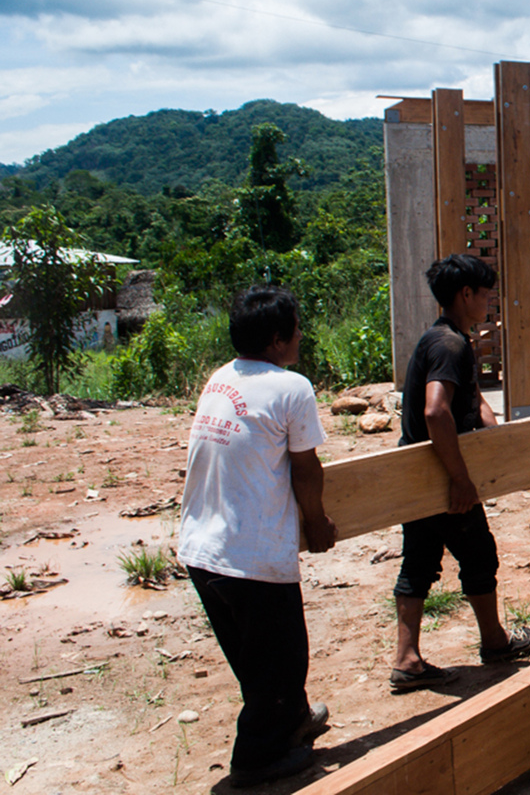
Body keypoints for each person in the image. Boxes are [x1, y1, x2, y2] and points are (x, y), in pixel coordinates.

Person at [177, 286, 334, 787]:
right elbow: (306, 470)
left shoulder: (220, 378)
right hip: (251, 555)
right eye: (295, 327)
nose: (300, 335)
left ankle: (292, 721)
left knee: (256, 656)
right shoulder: (292, 387)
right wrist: (317, 524)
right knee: (282, 659)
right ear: (275, 339)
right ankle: (257, 759)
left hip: (201, 549)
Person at [390, 254, 530, 692]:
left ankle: (407, 658)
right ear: (465, 294)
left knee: (418, 561)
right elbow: (436, 412)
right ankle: (493, 642)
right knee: (478, 555)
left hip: (420, 472)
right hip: (441, 474)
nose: (490, 300)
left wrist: (494, 436)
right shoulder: (450, 344)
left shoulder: (445, 338)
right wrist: (460, 479)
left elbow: (467, 399)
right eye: (486, 292)